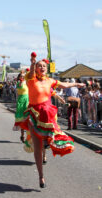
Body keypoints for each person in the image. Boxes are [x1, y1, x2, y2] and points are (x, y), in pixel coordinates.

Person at [17, 55, 85, 188]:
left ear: (46, 68)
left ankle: (49, 145)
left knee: (53, 139)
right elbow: (30, 72)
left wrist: (76, 84)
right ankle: (41, 176)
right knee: (37, 147)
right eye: (39, 66)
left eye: (43, 66)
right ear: (36, 68)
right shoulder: (30, 79)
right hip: (34, 115)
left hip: (48, 115)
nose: (41, 67)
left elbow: (64, 85)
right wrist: (32, 63)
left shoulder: (50, 81)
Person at [13, 71, 29, 143]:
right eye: (21, 76)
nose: (22, 77)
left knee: (29, 118)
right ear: (19, 77)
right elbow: (20, 85)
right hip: (21, 101)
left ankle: (29, 137)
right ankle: (22, 135)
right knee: (22, 118)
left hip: (28, 100)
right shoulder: (19, 83)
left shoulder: (26, 83)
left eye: (23, 76)